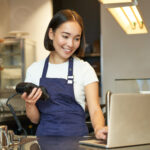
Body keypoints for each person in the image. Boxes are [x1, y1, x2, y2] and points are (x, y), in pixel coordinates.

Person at [21, 9, 107, 140]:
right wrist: (29, 104)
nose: (71, 44)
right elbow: (35, 119)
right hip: (45, 144)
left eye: (76, 38)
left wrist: (99, 128)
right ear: (51, 34)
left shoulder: (84, 69)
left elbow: (95, 110)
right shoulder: (34, 70)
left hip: (78, 143)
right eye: (65, 36)